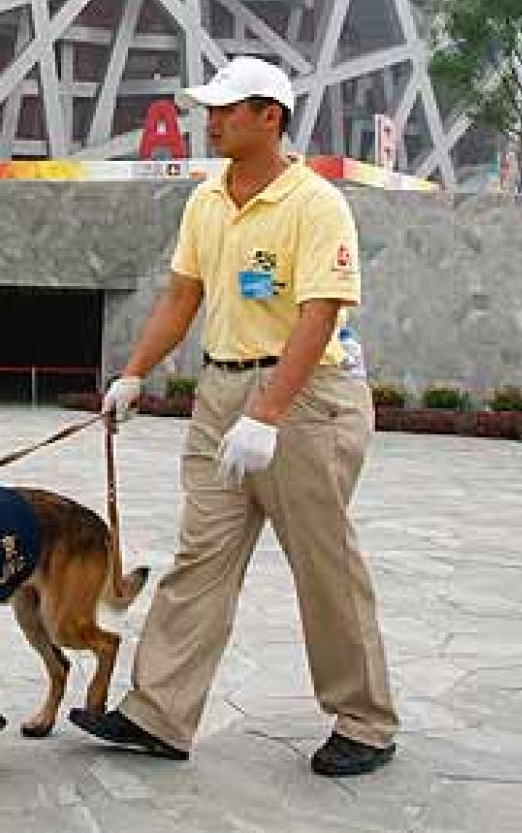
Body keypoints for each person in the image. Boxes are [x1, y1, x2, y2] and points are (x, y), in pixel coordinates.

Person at [71, 56, 398, 778]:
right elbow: (181, 297)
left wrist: (270, 414)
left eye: (226, 108)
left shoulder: (316, 204)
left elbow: (321, 313)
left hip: (308, 400)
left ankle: (366, 721)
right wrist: (132, 373)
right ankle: (157, 713)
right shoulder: (207, 201)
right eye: (208, 108)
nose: (210, 119)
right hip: (222, 393)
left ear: (270, 117)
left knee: (325, 564)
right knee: (200, 559)